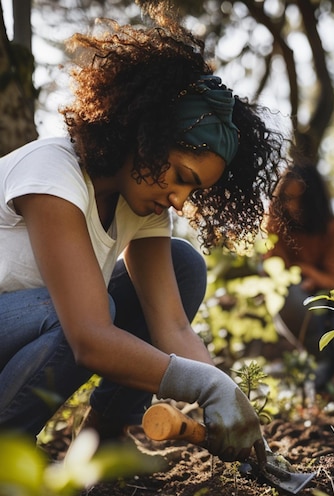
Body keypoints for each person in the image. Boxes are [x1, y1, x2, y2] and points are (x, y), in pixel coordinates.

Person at [0, 6, 286, 463]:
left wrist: (229, 400)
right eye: (179, 174)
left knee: (183, 264)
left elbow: (170, 325)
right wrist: (204, 384)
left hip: (23, 334)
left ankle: (101, 442)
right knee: (82, 313)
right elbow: (89, 337)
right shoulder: (52, 174)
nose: (179, 199)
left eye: (194, 189)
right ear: (144, 137)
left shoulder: (144, 209)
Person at [265, 161, 334, 390]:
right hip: (304, 297)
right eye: (287, 199)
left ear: (313, 202)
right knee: (288, 299)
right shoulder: (275, 225)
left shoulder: (332, 229)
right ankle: (321, 361)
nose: (293, 207)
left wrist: (308, 272)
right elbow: (273, 270)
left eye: (300, 201)